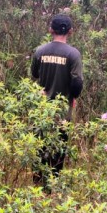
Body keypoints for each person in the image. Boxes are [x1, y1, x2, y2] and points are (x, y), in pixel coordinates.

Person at [30, 13, 83, 189]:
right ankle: (53, 188)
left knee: (39, 149)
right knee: (58, 151)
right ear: (71, 31)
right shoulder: (73, 54)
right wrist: (73, 97)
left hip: (41, 111)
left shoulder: (40, 51)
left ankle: (38, 187)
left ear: (50, 29)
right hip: (62, 113)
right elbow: (77, 81)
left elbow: (34, 75)